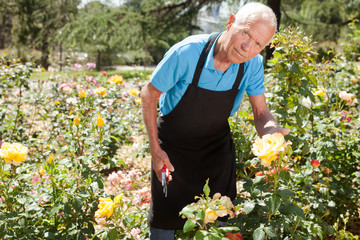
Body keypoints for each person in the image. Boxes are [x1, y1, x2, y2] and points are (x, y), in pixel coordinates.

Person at [140, 2, 290, 239]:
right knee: (163, 222)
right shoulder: (188, 52)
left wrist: (273, 133)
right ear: (231, 22)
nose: (247, 47)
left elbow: (261, 113)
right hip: (171, 150)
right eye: (246, 33)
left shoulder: (252, 64)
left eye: (258, 44)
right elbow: (149, 94)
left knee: (221, 223)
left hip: (215, 151)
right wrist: (155, 150)